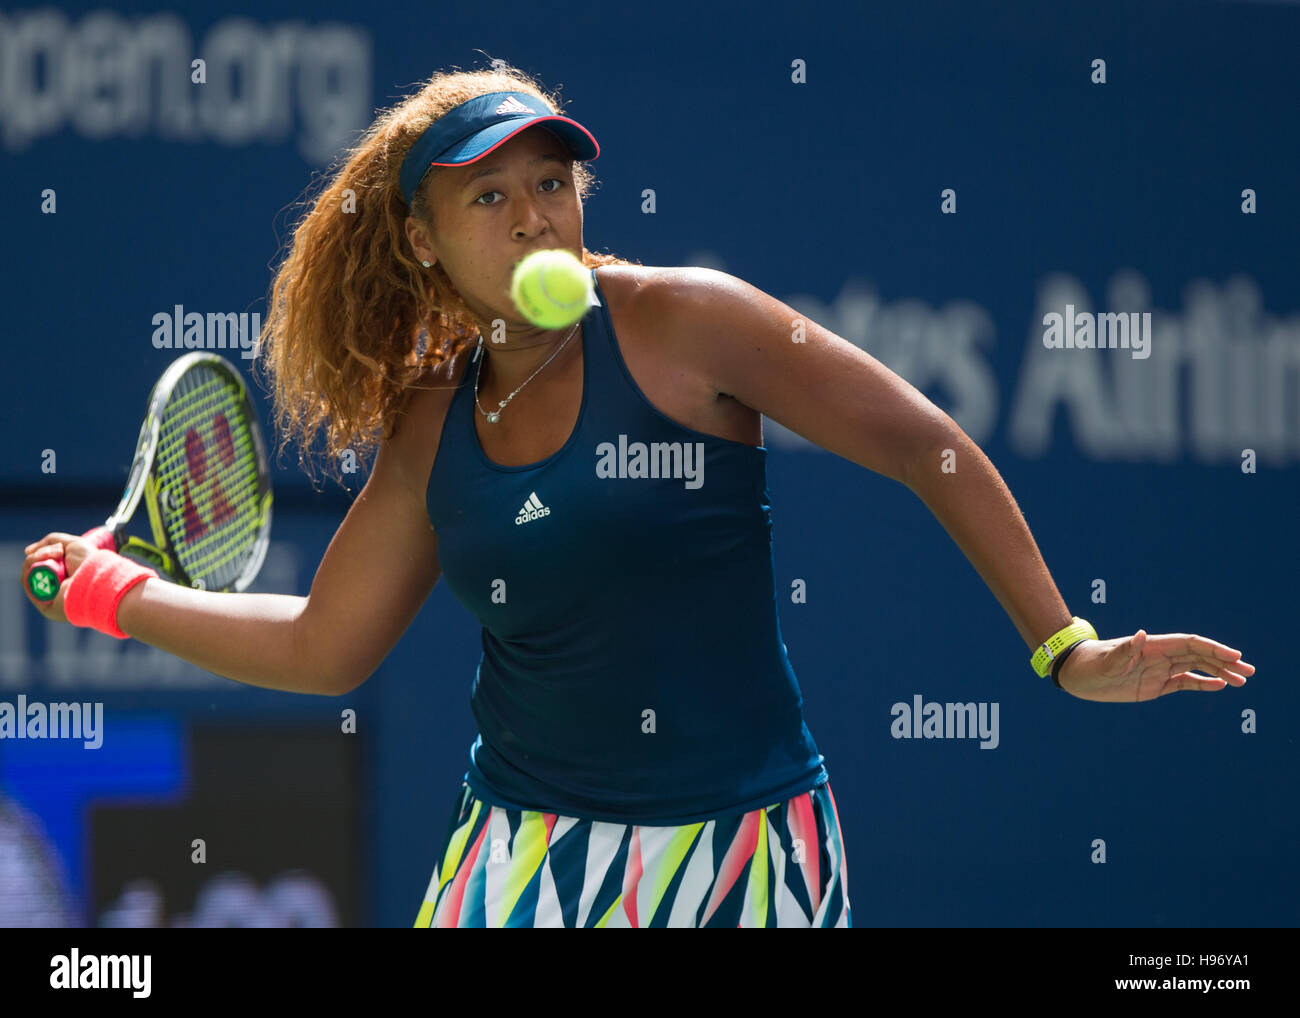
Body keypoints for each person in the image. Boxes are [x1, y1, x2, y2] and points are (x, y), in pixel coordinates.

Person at [21, 66, 1255, 928]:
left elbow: (922, 442)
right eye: (489, 199)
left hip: (750, 857)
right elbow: (321, 644)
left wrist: (1064, 645)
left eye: (550, 184)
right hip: (521, 854)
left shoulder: (682, 323)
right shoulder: (433, 420)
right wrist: (119, 594)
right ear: (422, 239)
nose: (534, 218)